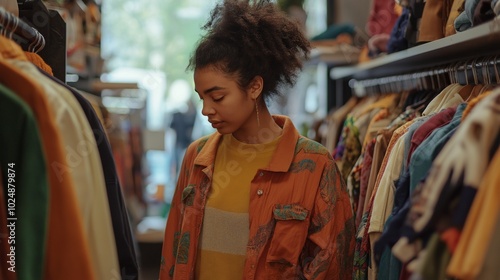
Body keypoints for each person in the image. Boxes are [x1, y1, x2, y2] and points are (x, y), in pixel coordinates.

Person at [159, 0, 355, 279]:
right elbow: (173, 253)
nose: (206, 110)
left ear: (254, 86)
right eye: (202, 97)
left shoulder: (314, 166)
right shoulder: (197, 158)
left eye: (217, 97)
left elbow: (333, 267)